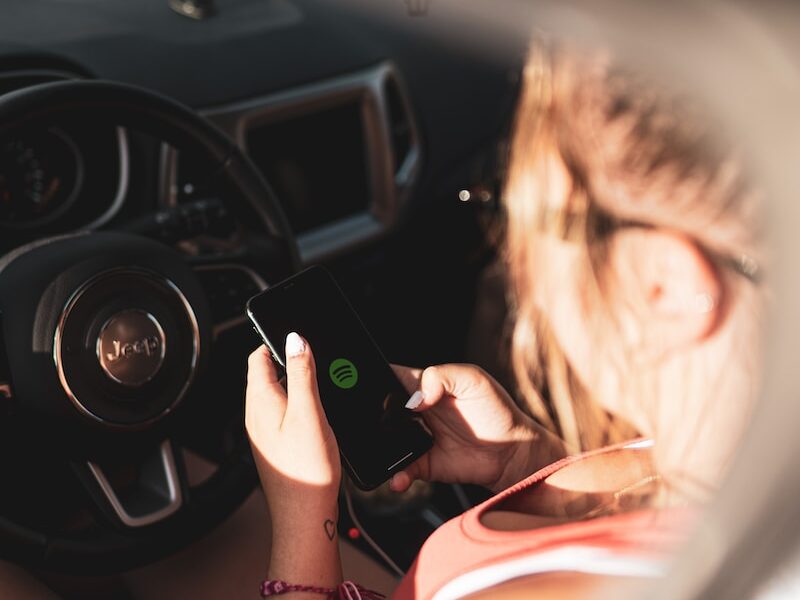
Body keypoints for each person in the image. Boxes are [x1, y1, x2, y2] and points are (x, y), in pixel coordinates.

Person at [246, 38, 764, 599]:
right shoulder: (724, 462)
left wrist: (302, 517)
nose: (517, 262)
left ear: (662, 285)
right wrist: (530, 465)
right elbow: (646, 511)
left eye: (529, 219)